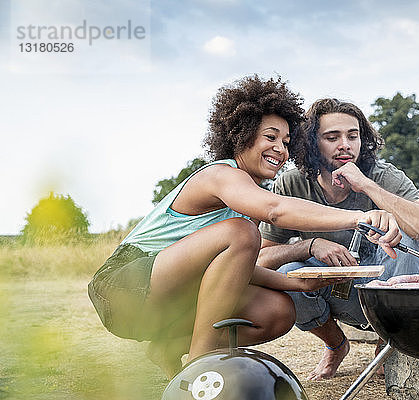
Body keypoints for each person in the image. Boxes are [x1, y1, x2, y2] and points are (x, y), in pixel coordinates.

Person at [87, 77, 402, 379]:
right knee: (240, 231)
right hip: (123, 287)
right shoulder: (221, 175)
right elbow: (275, 210)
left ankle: (172, 347)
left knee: (279, 311)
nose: (280, 149)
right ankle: (200, 368)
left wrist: (298, 285)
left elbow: (237, 270)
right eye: (270, 137)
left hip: (169, 299)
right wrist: (359, 217)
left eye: (287, 142)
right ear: (243, 134)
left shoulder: (248, 199)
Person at [258, 98, 419, 380]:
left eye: (353, 135)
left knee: (410, 240)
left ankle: (387, 346)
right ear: (312, 144)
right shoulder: (293, 183)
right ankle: (336, 344)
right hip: (336, 289)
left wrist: (365, 185)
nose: (345, 145)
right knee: (288, 273)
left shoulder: (383, 176)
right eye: (332, 137)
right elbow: (262, 260)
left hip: (390, 288)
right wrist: (308, 246)